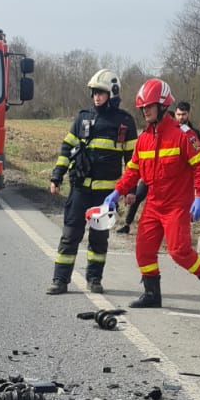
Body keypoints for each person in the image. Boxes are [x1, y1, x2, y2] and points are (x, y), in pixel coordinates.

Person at [105, 77, 200, 310]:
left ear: (162, 105)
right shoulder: (144, 139)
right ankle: (152, 294)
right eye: (142, 107)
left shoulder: (183, 135)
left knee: (179, 251)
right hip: (154, 203)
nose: (145, 111)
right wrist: (116, 192)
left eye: (149, 106)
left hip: (177, 204)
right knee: (143, 249)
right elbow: (133, 171)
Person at [47, 69, 137, 294]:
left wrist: (131, 190)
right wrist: (56, 176)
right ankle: (60, 280)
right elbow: (66, 149)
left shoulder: (125, 122)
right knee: (70, 235)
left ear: (112, 93)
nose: (96, 97)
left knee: (98, 239)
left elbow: (133, 161)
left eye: (101, 92)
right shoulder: (82, 118)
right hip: (79, 190)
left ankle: (94, 279)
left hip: (106, 196)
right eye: (94, 93)